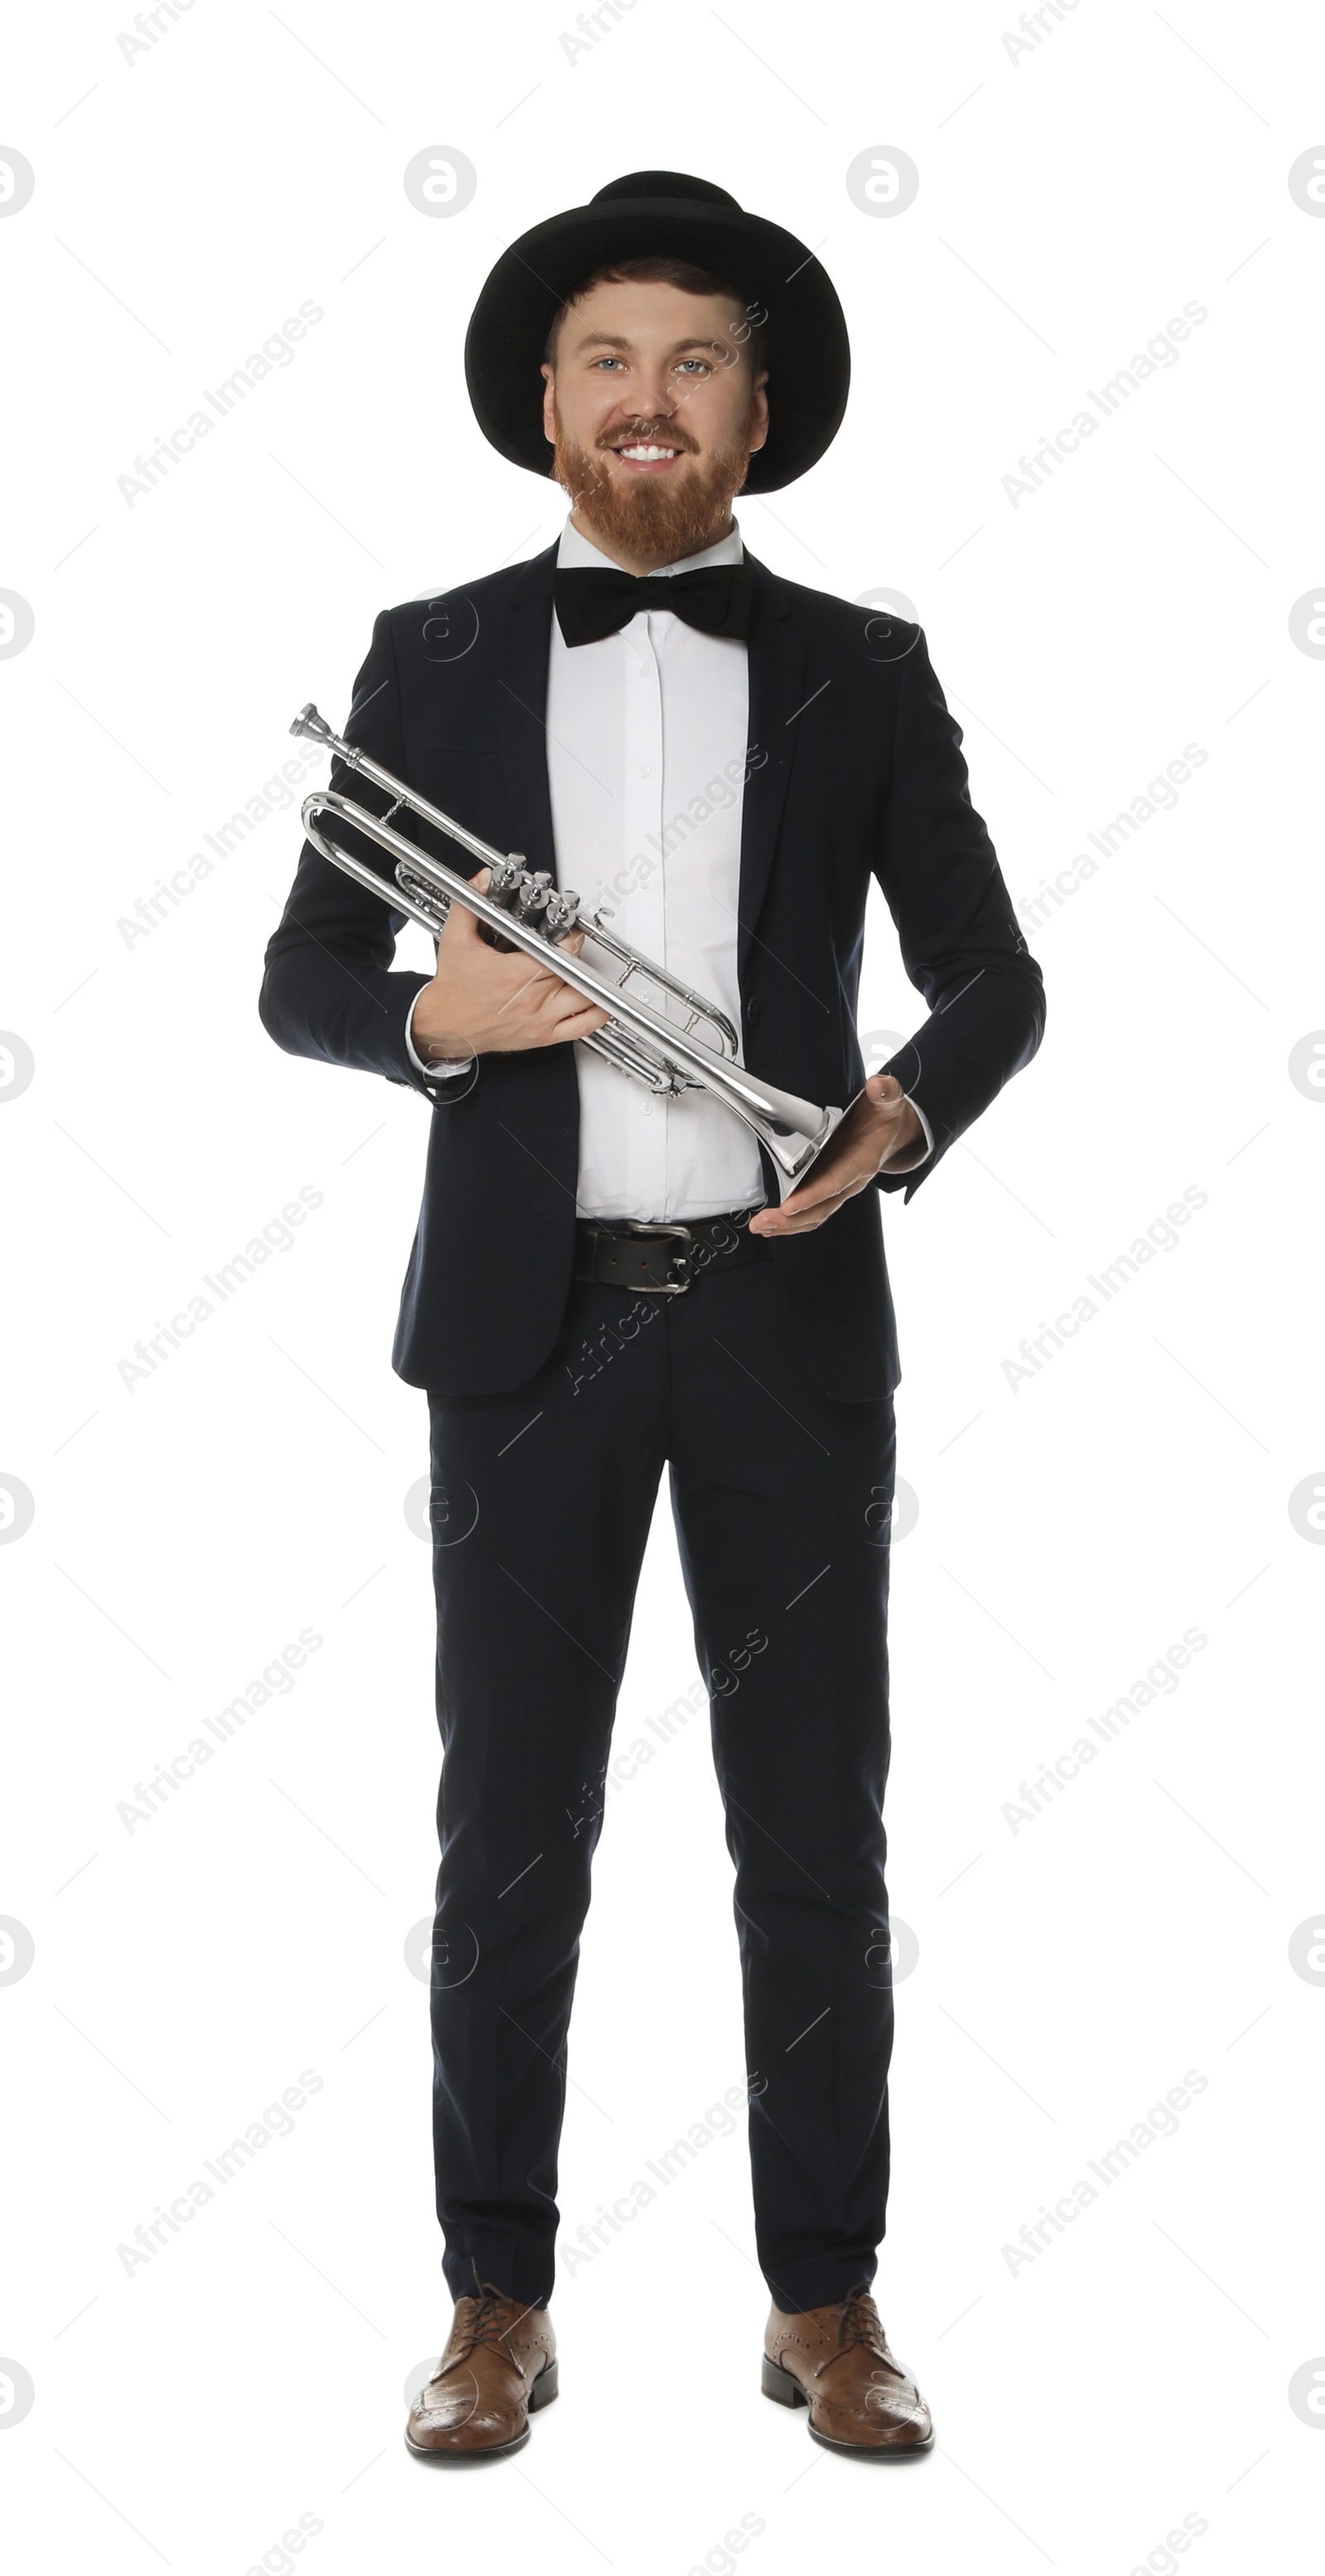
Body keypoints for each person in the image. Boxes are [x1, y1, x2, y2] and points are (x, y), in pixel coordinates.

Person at [259, 170, 1046, 2463]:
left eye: (693, 361)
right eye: (608, 358)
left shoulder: (860, 670)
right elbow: (305, 982)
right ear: (542, 402)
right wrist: (450, 1012)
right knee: (509, 1835)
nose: (648, 399)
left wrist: (902, 1112)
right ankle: (494, 2298)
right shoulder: (429, 656)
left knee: (819, 1837)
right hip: (526, 1338)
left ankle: (829, 2298)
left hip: (786, 1334)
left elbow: (999, 974)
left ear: (760, 409)